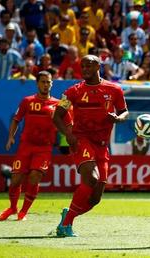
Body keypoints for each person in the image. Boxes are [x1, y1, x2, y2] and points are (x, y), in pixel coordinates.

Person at [53, 55, 129, 237]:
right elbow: (57, 115)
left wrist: (118, 118)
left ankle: (68, 215)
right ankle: (66, 226)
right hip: (81, 139)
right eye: (83, 66)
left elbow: (125, 111)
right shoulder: (72, 91)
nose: (85, 69)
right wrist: (68, 134)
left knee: (95, 198)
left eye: (89, 65)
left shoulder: (115, 89)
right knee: (91, 178)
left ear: (98, 67)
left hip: (102, 145)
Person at [0, 71, 70, 221]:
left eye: (48, 82)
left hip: (44, 148)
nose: (45, 85)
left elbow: (69, 124)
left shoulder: (59, 104)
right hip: (26, 146)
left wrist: (70, 139)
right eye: (43, 82)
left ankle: (23, 211)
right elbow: (17, 119)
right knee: (16, 179)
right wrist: (11, 137)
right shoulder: (27, 101)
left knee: (34, 177)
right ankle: (12, 207)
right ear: (37, 83)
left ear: (52, 83)